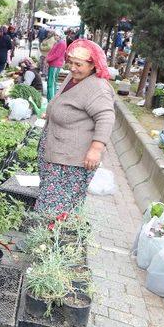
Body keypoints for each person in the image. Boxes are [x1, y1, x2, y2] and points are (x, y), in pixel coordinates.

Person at [36, 39, 115, 213]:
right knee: (52, 204)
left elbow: (106, 117)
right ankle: (47, 236)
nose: (72, 68)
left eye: (78, 64)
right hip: (56, 154)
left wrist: (96, 148)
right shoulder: (74, 78)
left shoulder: (98, 88)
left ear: (93, 65)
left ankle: (50, 238)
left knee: (54, 208)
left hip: (69, 162)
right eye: (70, 62)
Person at [46, 35, 71, 101]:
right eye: (55, 35)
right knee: (50, 82)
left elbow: (56, 54)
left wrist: (48, 59)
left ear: (60, 36)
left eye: (57, 35)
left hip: (55, 65)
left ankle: (52, 99)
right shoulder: (58, 42)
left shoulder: (61, 43)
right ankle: (49, 98)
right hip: (53, 64)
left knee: (52, 82)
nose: (55, 36)